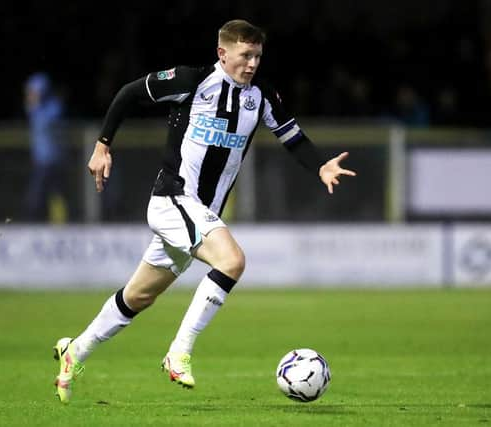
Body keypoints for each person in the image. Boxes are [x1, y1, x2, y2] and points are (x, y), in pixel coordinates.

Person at [52, 19, 356, 403]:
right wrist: (102, 144)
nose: (252, 64)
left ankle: (74, 351)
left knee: (138, 297)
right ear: (222, 53)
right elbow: (129, 93)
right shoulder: (191, 82)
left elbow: (290, 136)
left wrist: (320, 166)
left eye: (258, 56)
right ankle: (179, 352)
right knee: (232, 261)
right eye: (245, 55)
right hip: (172, 200)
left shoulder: (261, 94)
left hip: (199, 213)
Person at [23, 72, 68, 221]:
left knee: (52, 194)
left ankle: (59, 225)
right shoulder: (37, 108)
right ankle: (38, 223)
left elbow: (45, 121)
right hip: (40, 160)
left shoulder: (54, 108)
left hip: (53, 160)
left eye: (34, 91)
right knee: (40, 195)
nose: (31, 94)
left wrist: (35, 104)